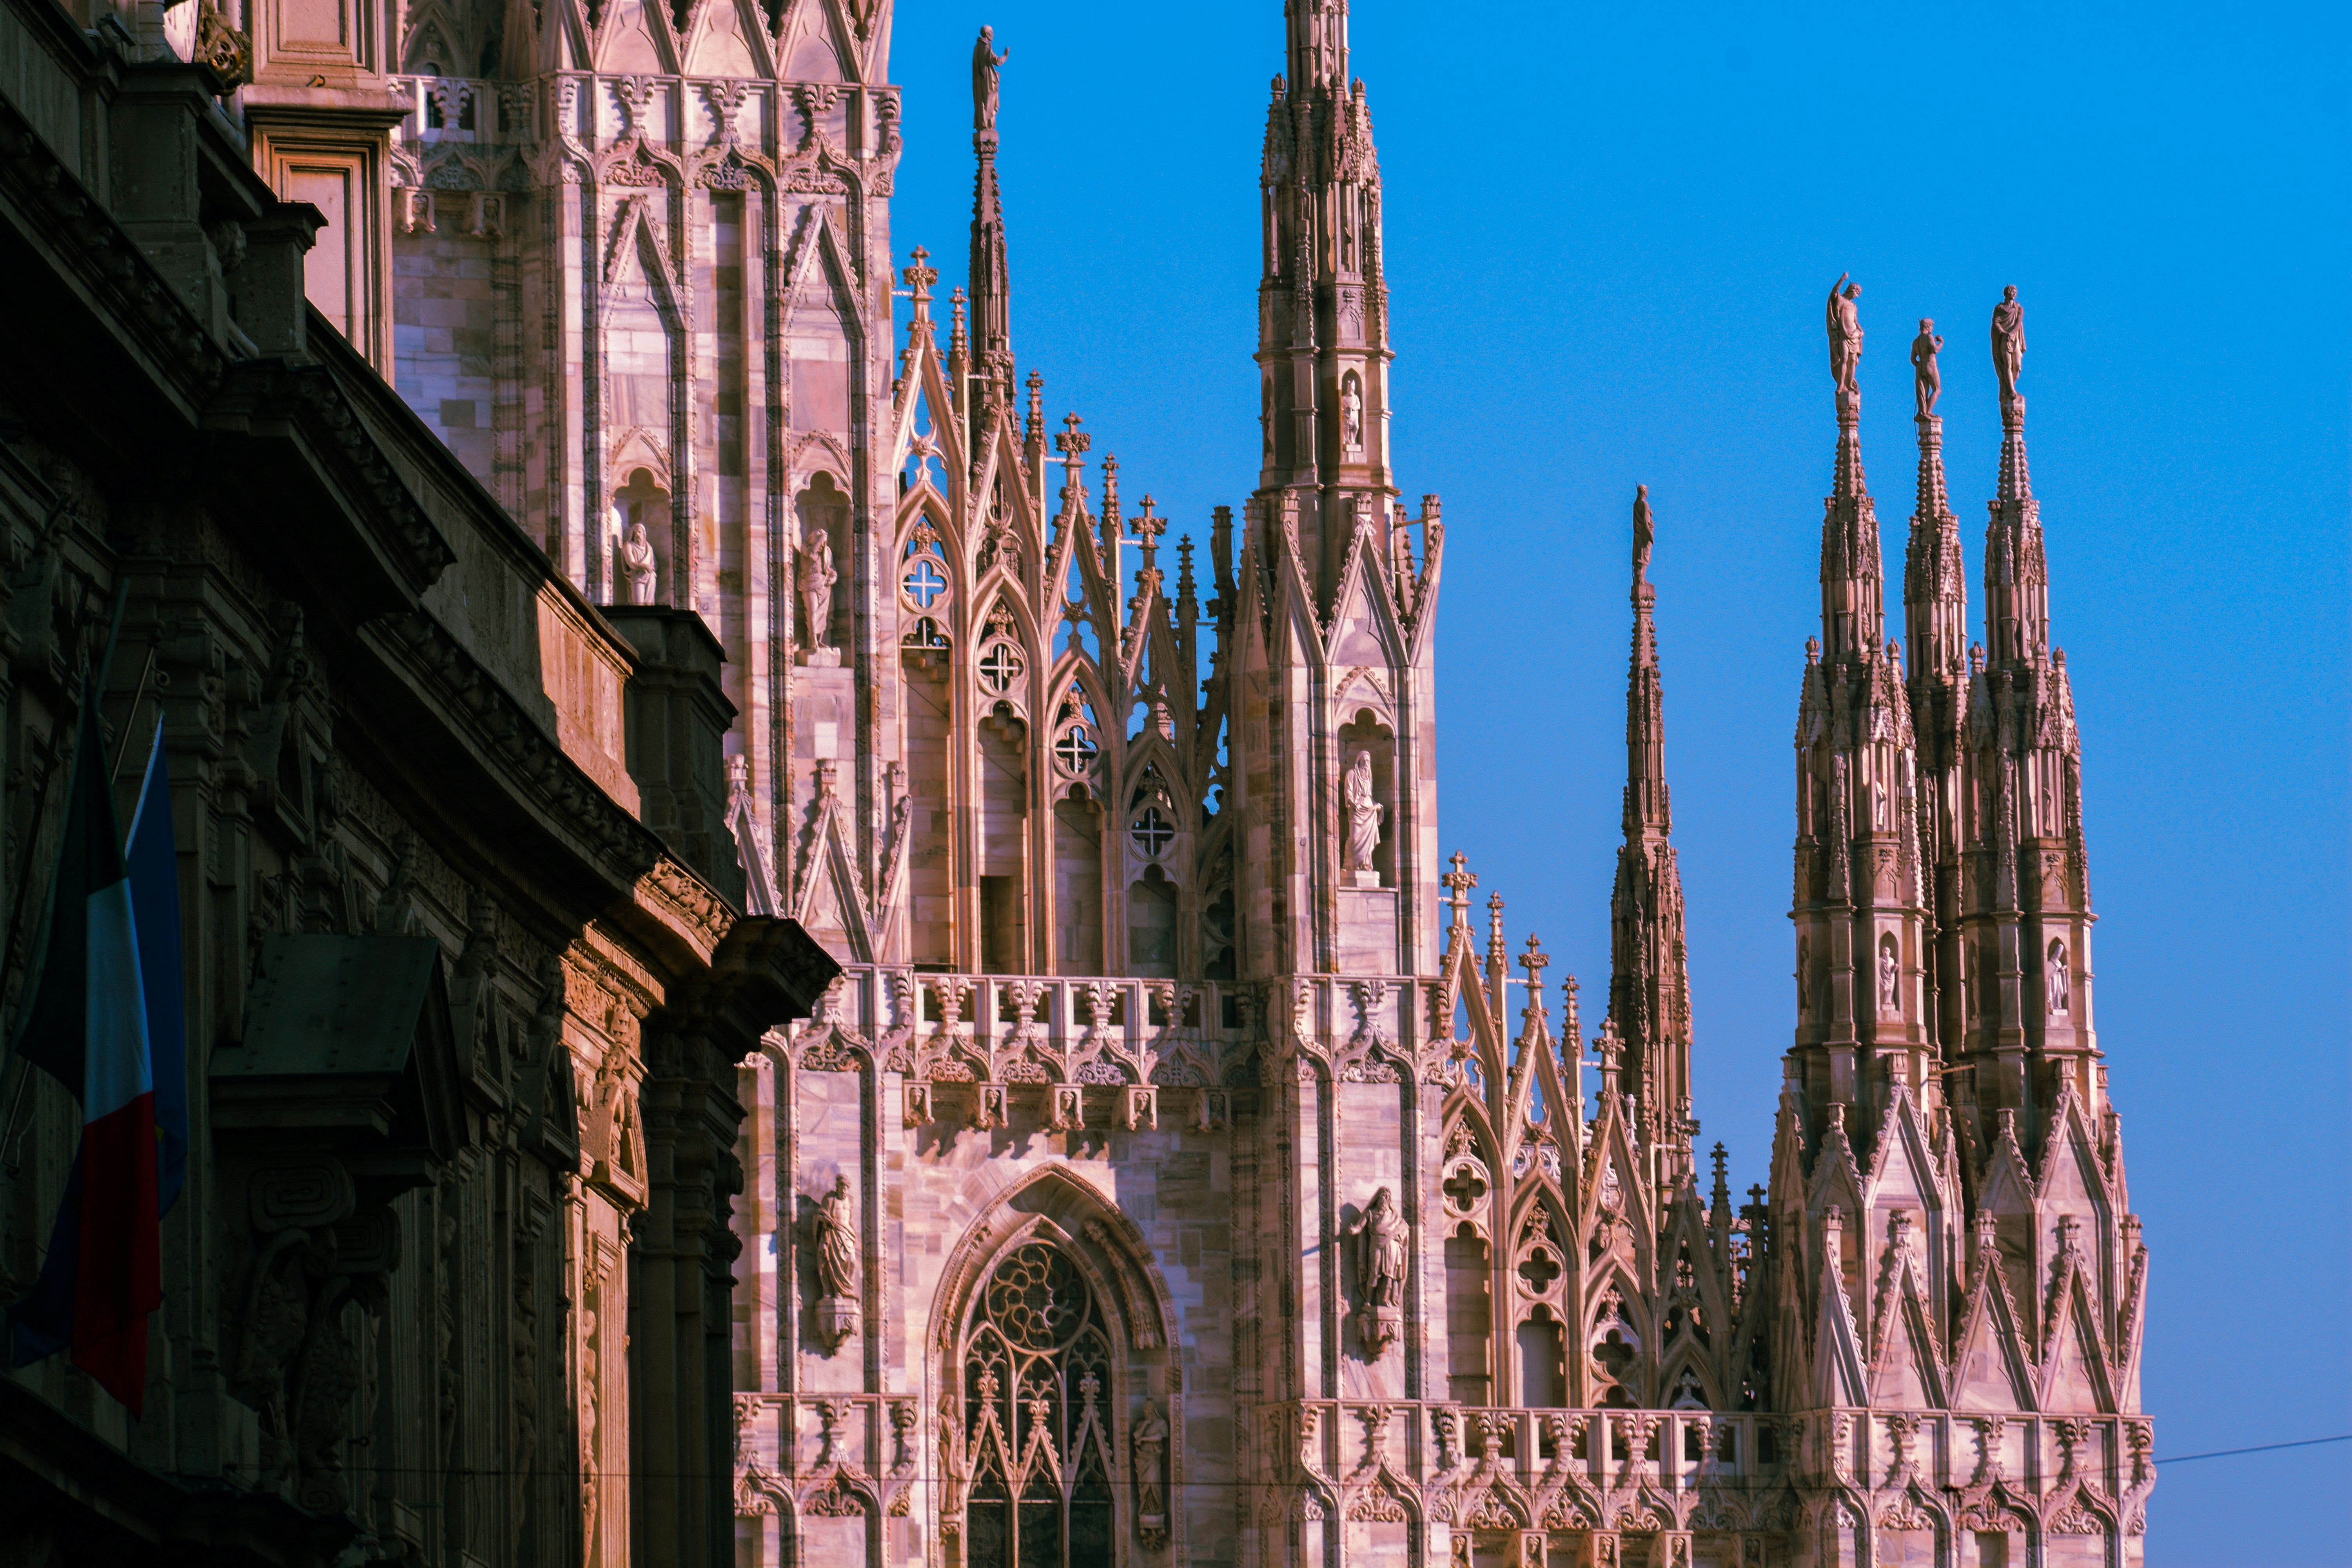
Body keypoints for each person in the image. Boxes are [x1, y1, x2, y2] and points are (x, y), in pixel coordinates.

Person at [1826, 273, 1863, 396]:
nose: (1856, 296)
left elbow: (1855, 321)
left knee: (1853, 361)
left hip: (1855, 336)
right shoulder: (1841, 301)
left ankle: (1849, 384)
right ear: (1851, 290)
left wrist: (1860, 331)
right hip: (1844, 336)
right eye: (1856, 293)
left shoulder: (1854, 306)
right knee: (1844, 359)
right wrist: (1842, 279)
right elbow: (1834, 294)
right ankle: (1841, 385)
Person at [1991, 285, 2026, 401]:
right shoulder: (1999, 309)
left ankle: (2009, 386)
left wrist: (2011, 333)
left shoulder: (2019, 309)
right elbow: (1996, 322)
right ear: (2007, 293)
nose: (2015, 293)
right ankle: (2011, 389)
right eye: (2013, 291)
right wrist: (2003, 333)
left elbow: (2019, 322)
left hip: (2015, 339)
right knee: (2008, 364)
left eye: (2016, 292)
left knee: (2018, 366)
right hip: (2004, 339)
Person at [972, 26, 1009, 131]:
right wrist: (1006, 56)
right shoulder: (986, 46)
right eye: (992, 33)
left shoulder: (977, 47)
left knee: (982, 103)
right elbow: (997, 61)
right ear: (988, 34)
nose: (993, 35)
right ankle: (987, 124)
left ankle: (983, 123)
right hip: (988, 82)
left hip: (980, 82)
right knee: (989, 103)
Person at [1911, 318, 1944, 419]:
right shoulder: (1929, 337)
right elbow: (1935, 350)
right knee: (1937, 390)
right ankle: (1928, 411)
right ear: (1928, 326)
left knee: (1923, 393)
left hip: (1921, 369)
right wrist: (1941, 343)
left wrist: (1919, 366)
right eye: (1932, 326)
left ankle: (1923, 411)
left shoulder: (1916, 341)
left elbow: (1913, 359)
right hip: (1931, 366)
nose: (1932, 329)